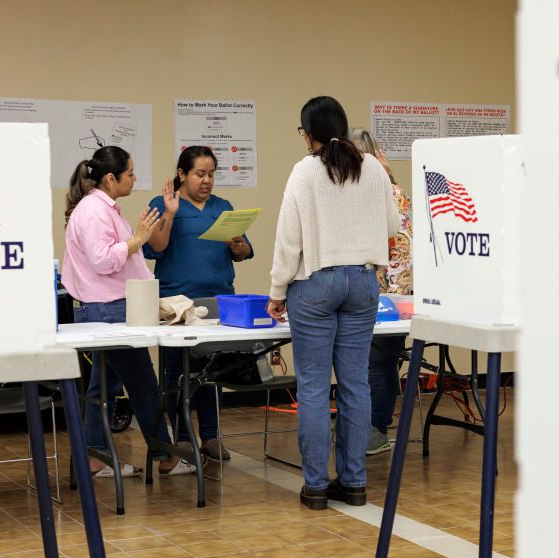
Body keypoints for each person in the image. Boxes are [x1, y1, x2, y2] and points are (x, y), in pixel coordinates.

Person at [267, 96, 401, 510]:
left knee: (312, 385)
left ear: (308, 134)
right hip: (363, 281)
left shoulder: (305, 171)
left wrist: (276, 291)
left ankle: (316, 487)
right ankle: (354, 482)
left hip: (316, 283)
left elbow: (289, 238)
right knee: (356, 383)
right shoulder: (374, 168)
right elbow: (394, 225)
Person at [61, 145, 194, 477]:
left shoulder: (104, 208)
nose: (135, 178)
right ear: (110, 178)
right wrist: (138, 238)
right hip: (108, 310)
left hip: (113, 307)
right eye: (130, 173)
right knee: (142, 382)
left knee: (103, 387)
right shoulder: (93, 211)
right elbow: (104, 260)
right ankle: (166, 454)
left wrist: (137, 239)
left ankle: (93, 456)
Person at [144, 146, 254, 465]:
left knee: (211, 370)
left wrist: (240, 246)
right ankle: (180, 438)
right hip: (176, 303)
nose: (206, 181)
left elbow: (243, 253)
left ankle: (211, 436)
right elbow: (155, 248)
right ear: (182, 175)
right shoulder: (163, 204)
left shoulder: (224, 207)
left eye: (211, 175)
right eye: (199, 174)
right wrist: (169, 212)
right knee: (175, 373)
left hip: (218, 301)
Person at [348, 128, 414, 456]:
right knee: (364, 363)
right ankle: (364, 424)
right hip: (364, 291)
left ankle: (375, 429)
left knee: (378, 362)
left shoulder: (389, 193)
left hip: (389, 295)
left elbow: (401, 253)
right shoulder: (356, 194)